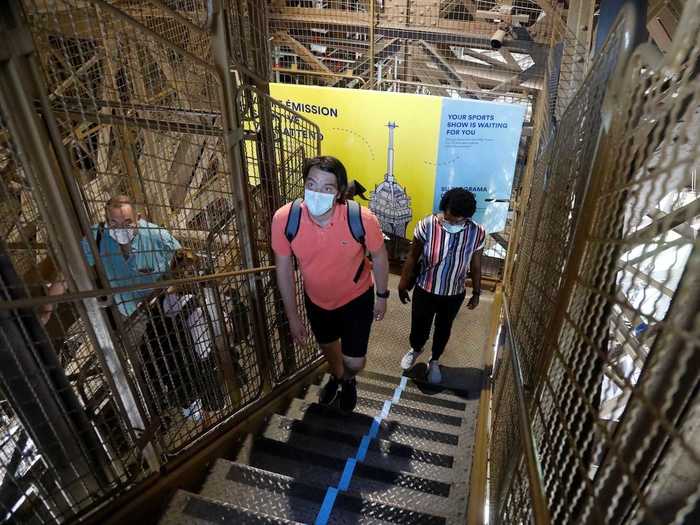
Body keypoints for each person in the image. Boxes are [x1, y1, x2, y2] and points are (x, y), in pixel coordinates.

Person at [271, 156, 389, 413]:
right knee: (328, 347)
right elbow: (283, 270)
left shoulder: (361, 219)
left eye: (327, 188)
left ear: (339, 193)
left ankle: (348, 376)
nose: (317, 193)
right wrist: (292, 317)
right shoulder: (285, 219)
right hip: (316, 301)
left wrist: (382, 295)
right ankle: (340, 379)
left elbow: (379, 256)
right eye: (311, 184)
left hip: (357, 298)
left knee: (354, 361)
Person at [40, 195, 181, 324]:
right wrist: (47, 310)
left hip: (161, 307)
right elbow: (69, 273)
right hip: (128, 314)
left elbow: (182, 263)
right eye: (114, 224)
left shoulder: (157, 236)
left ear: (138, 218)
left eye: (127, 223)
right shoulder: (97, 237)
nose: (121, 230)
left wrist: (169, 290)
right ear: (106, 221)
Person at [397, 188, 485, 384]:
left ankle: (435, 360)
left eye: (458, 221)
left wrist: (477, 291)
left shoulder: (477, 232)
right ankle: (416, 348)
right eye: (449, 218)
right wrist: (403, 282)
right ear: (444, 208)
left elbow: (476, 264)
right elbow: (413, 256)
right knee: (420, 325)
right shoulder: (427, 225)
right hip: (425, 288)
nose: (452, 223)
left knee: (444, 328)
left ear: (467, 217)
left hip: (454, 293)